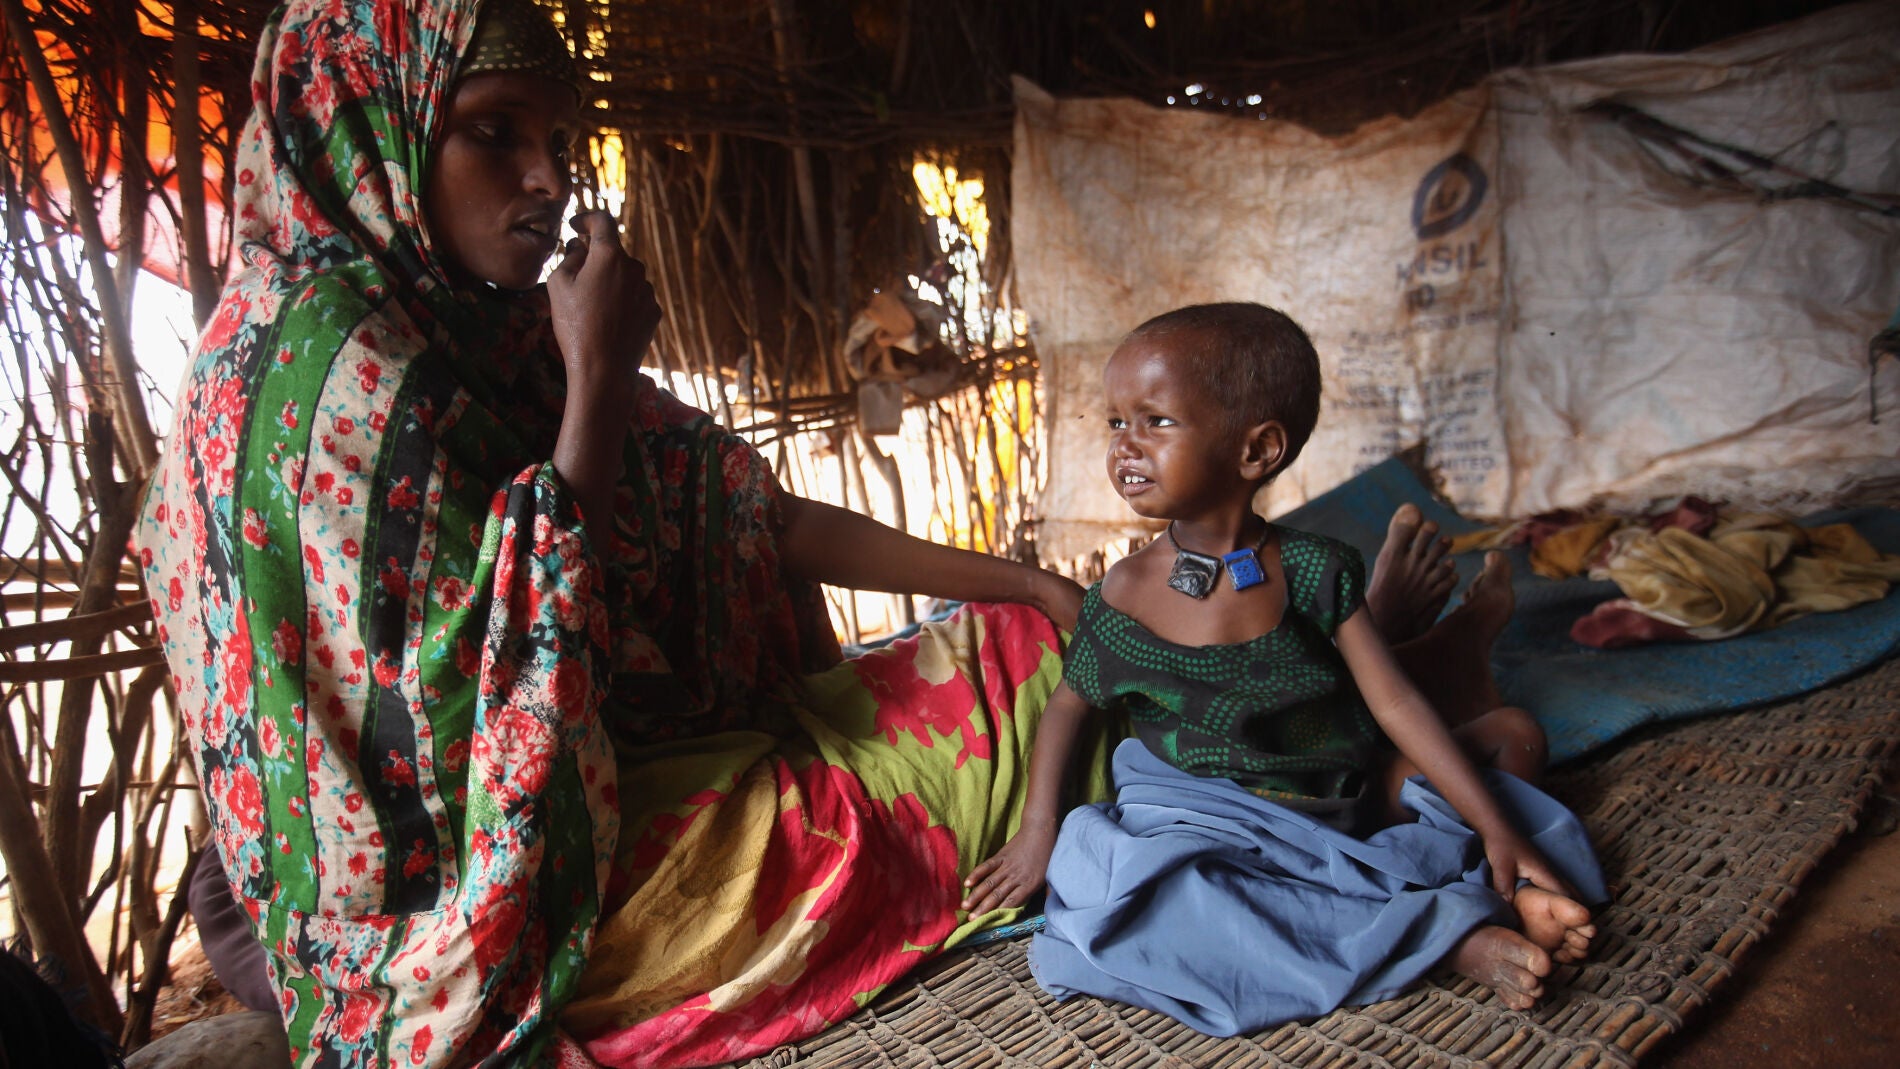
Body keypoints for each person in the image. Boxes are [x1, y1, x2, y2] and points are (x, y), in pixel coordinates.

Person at [137, 2, 1098, 1066]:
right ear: (371, 125)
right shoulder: (324, 371)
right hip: (486, 916)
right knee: (907, 796)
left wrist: (1021, 581)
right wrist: (594, 376)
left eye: (558, 143)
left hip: (601, 801)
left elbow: (738, 509)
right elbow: (496, 711)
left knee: (1028, 647)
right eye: (495, 131)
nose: (549, 180)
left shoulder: (483, 332)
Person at [960, 303, 1606, 1036]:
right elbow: (1068, 709)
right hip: (1203, 818)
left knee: (1514, 745)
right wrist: (1038, 828)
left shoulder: (1312, 570)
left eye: (1155, 422)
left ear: (1257, 450)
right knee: (1108, 872)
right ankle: (1453, 935)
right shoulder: (1123, 595)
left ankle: (1493, 884)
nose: (1125, 446)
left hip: (1338, 799)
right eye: (1115, 423)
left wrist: (1499, 831)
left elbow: (1392, 705)